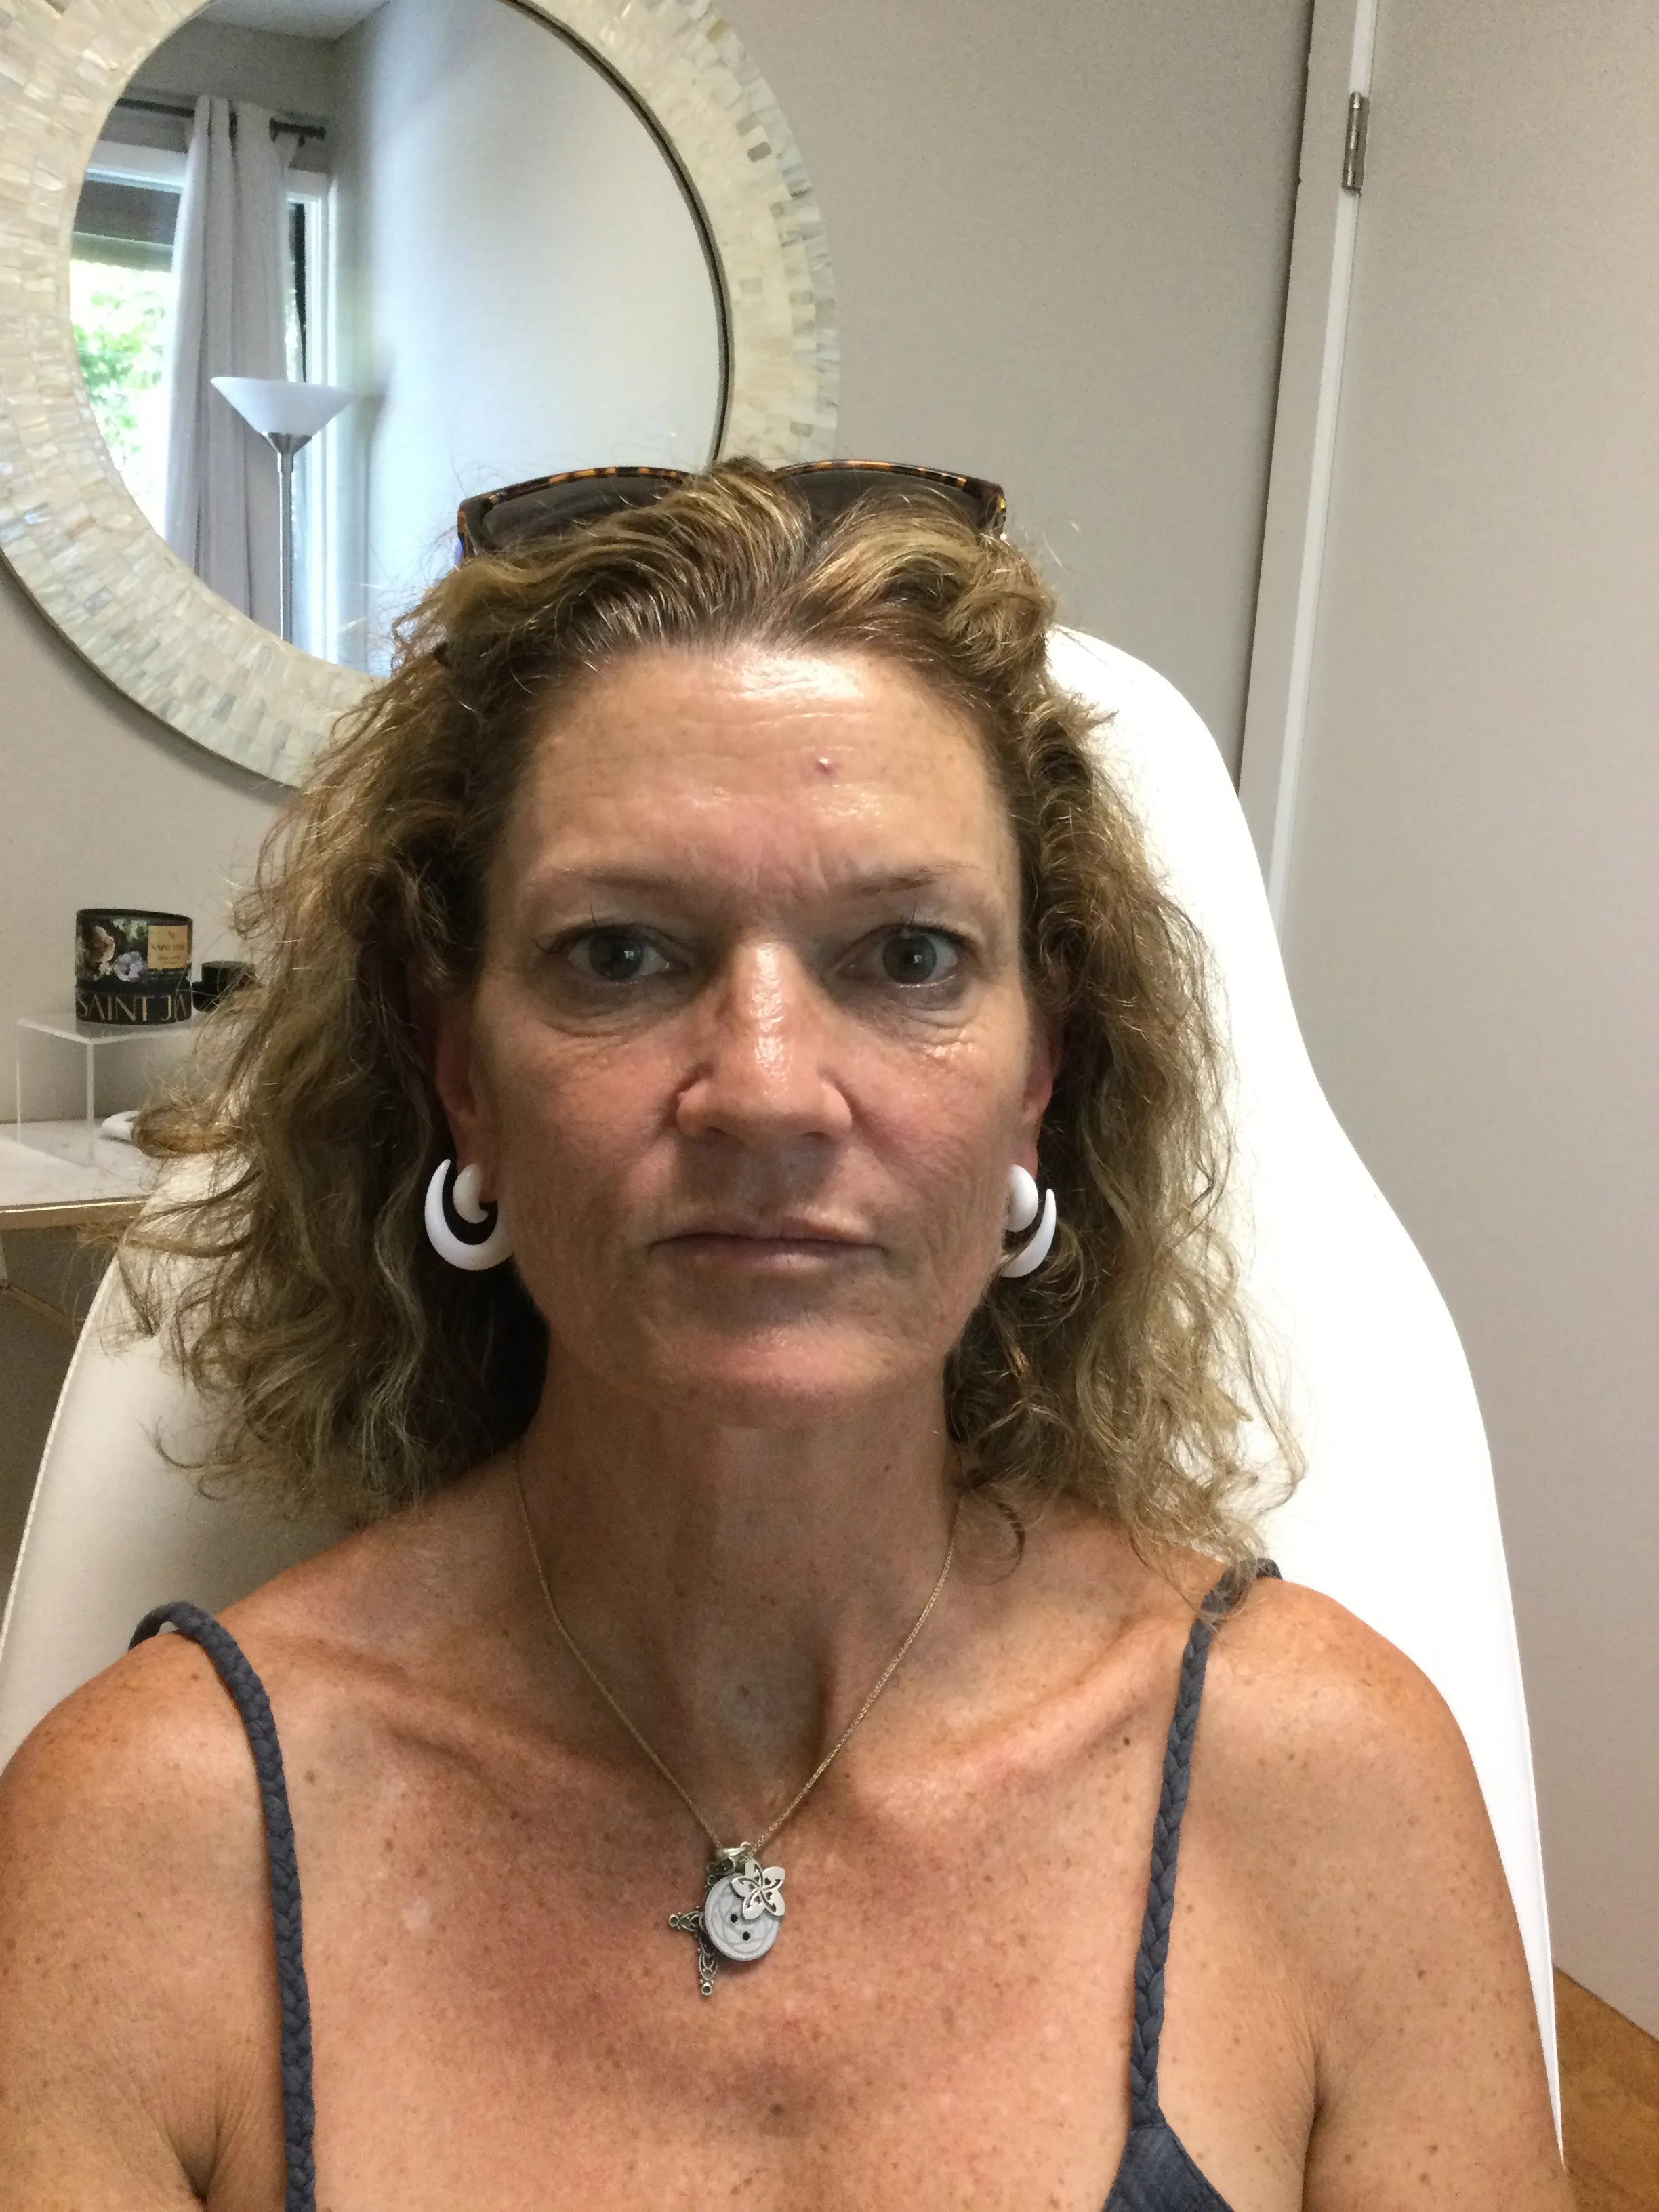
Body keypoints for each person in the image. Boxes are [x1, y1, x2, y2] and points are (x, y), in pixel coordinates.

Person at [0, 461, 1567, 2209]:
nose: (763, 1089)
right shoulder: (156, 1841)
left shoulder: (1329, 1785)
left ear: (1039, 1079)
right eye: (618, 955)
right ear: (465, 1081)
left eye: (907, 956)